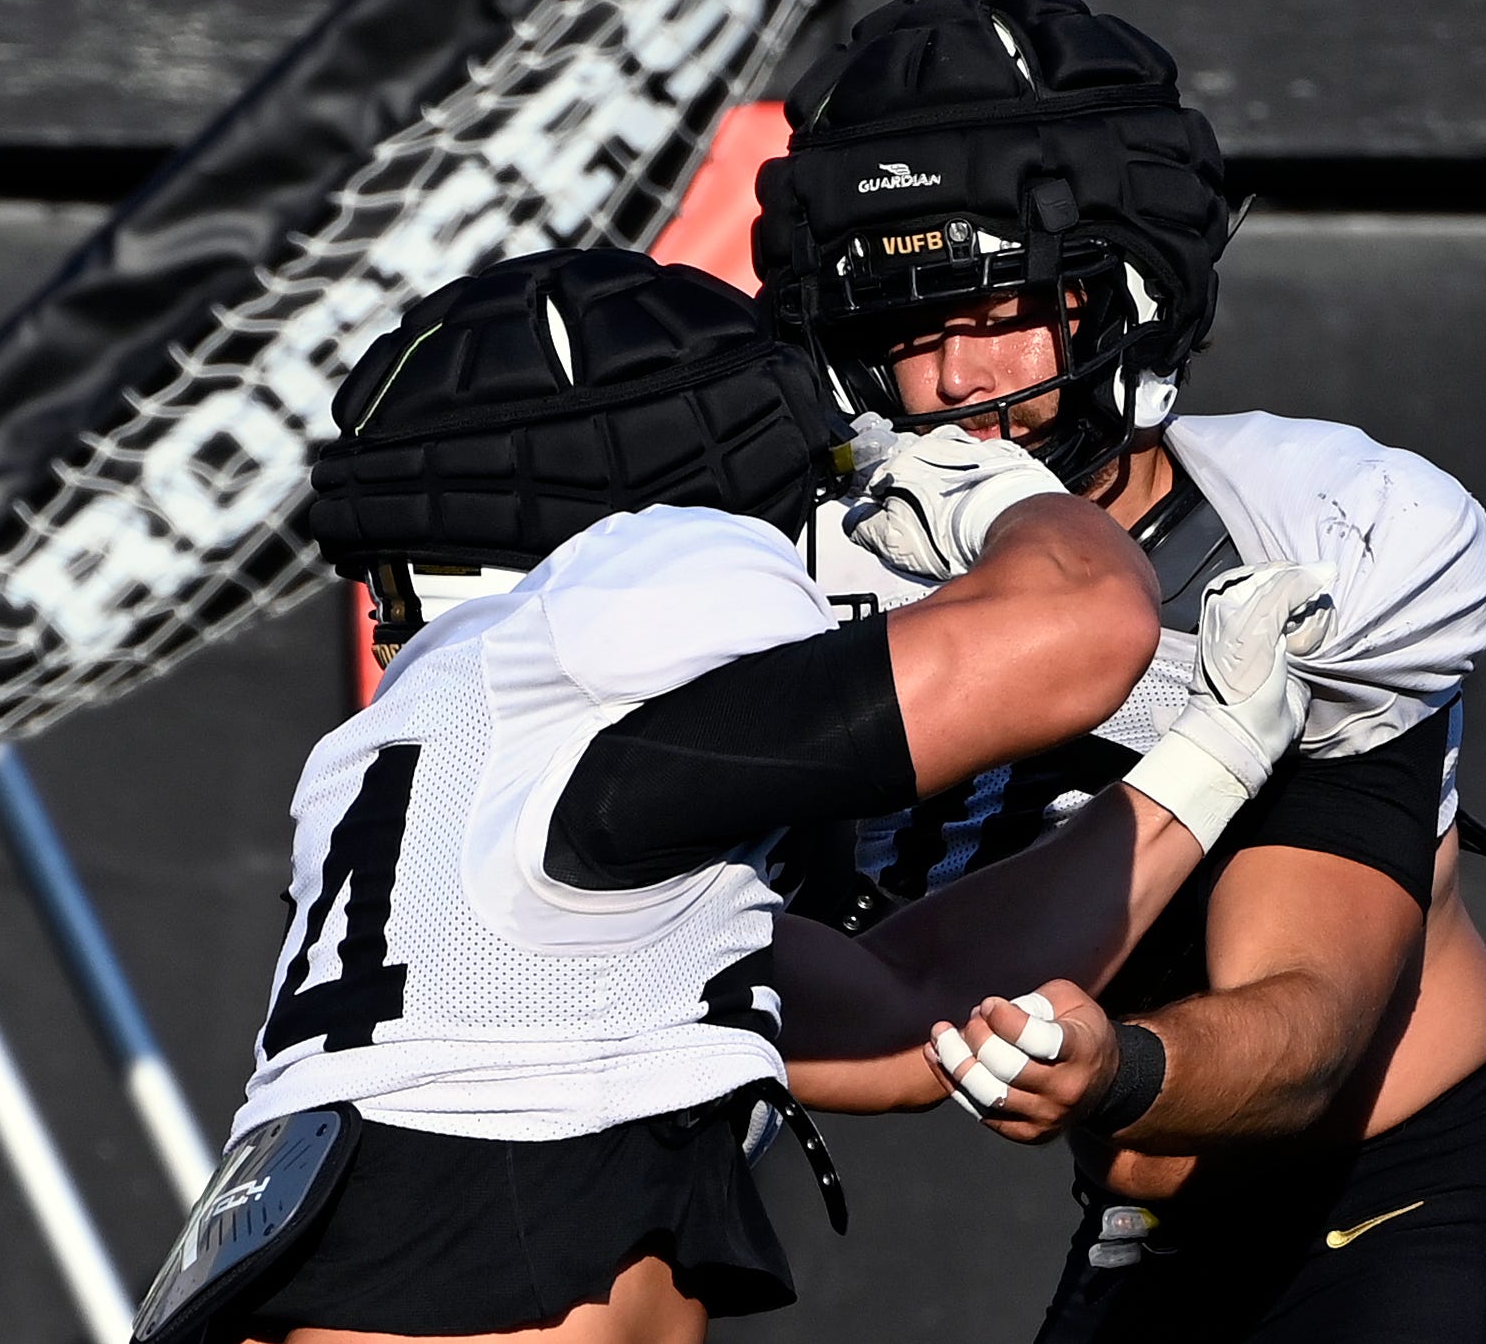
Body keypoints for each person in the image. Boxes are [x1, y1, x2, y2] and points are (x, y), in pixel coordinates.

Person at [128, 246, 1334, 1344]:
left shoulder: (467, 796)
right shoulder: (607, 616)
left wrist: (1209, 761)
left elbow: (913, 1018)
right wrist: (977, 484)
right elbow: (1081, 626)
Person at [753, 0, 1486, 1342]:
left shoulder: (1293, 555)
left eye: (1005, 303)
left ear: (1130, 287)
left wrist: (1120, 1067)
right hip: (1135, 1239)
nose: (956, 377)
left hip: (1394, 1209)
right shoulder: (806, 586)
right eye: (905, 325)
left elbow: (1308, 1027)